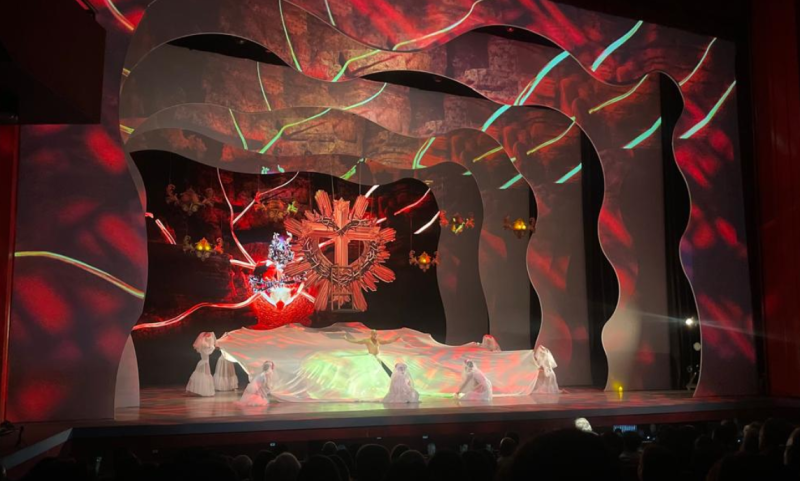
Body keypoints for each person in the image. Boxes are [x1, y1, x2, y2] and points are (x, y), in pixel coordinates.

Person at [187, 332, 217, 397]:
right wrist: (211, 347)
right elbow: (207, 351)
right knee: (204, 374)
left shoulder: (206, 340)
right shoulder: (203, 342)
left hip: (205, 361)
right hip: (204, 361)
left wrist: (211, 346)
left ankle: (203, 390)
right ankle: (203, 391)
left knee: (204, 374)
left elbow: (209, 349)